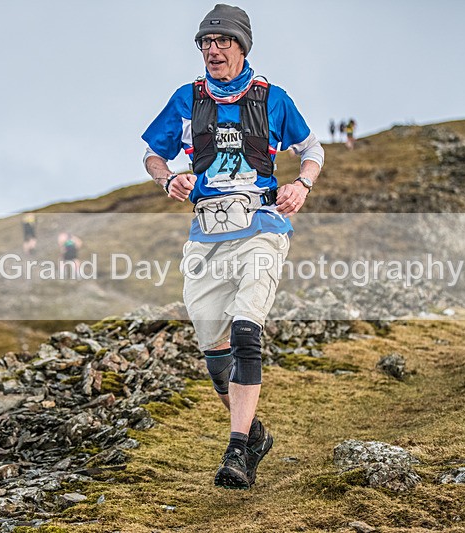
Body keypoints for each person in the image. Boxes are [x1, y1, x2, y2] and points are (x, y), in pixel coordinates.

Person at [141, 3, 323, 490]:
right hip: (206, 236)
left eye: (221, 42)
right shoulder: (189, 98)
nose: (212, 50)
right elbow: (153, 154)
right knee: (215, 355)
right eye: (205, 43)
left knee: (247, 333)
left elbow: (312, 149)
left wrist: (301, 185)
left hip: (262, 225)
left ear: (242, 46)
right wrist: (168, 181)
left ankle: (237, 449)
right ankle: (255, 432)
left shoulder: (271, 98)